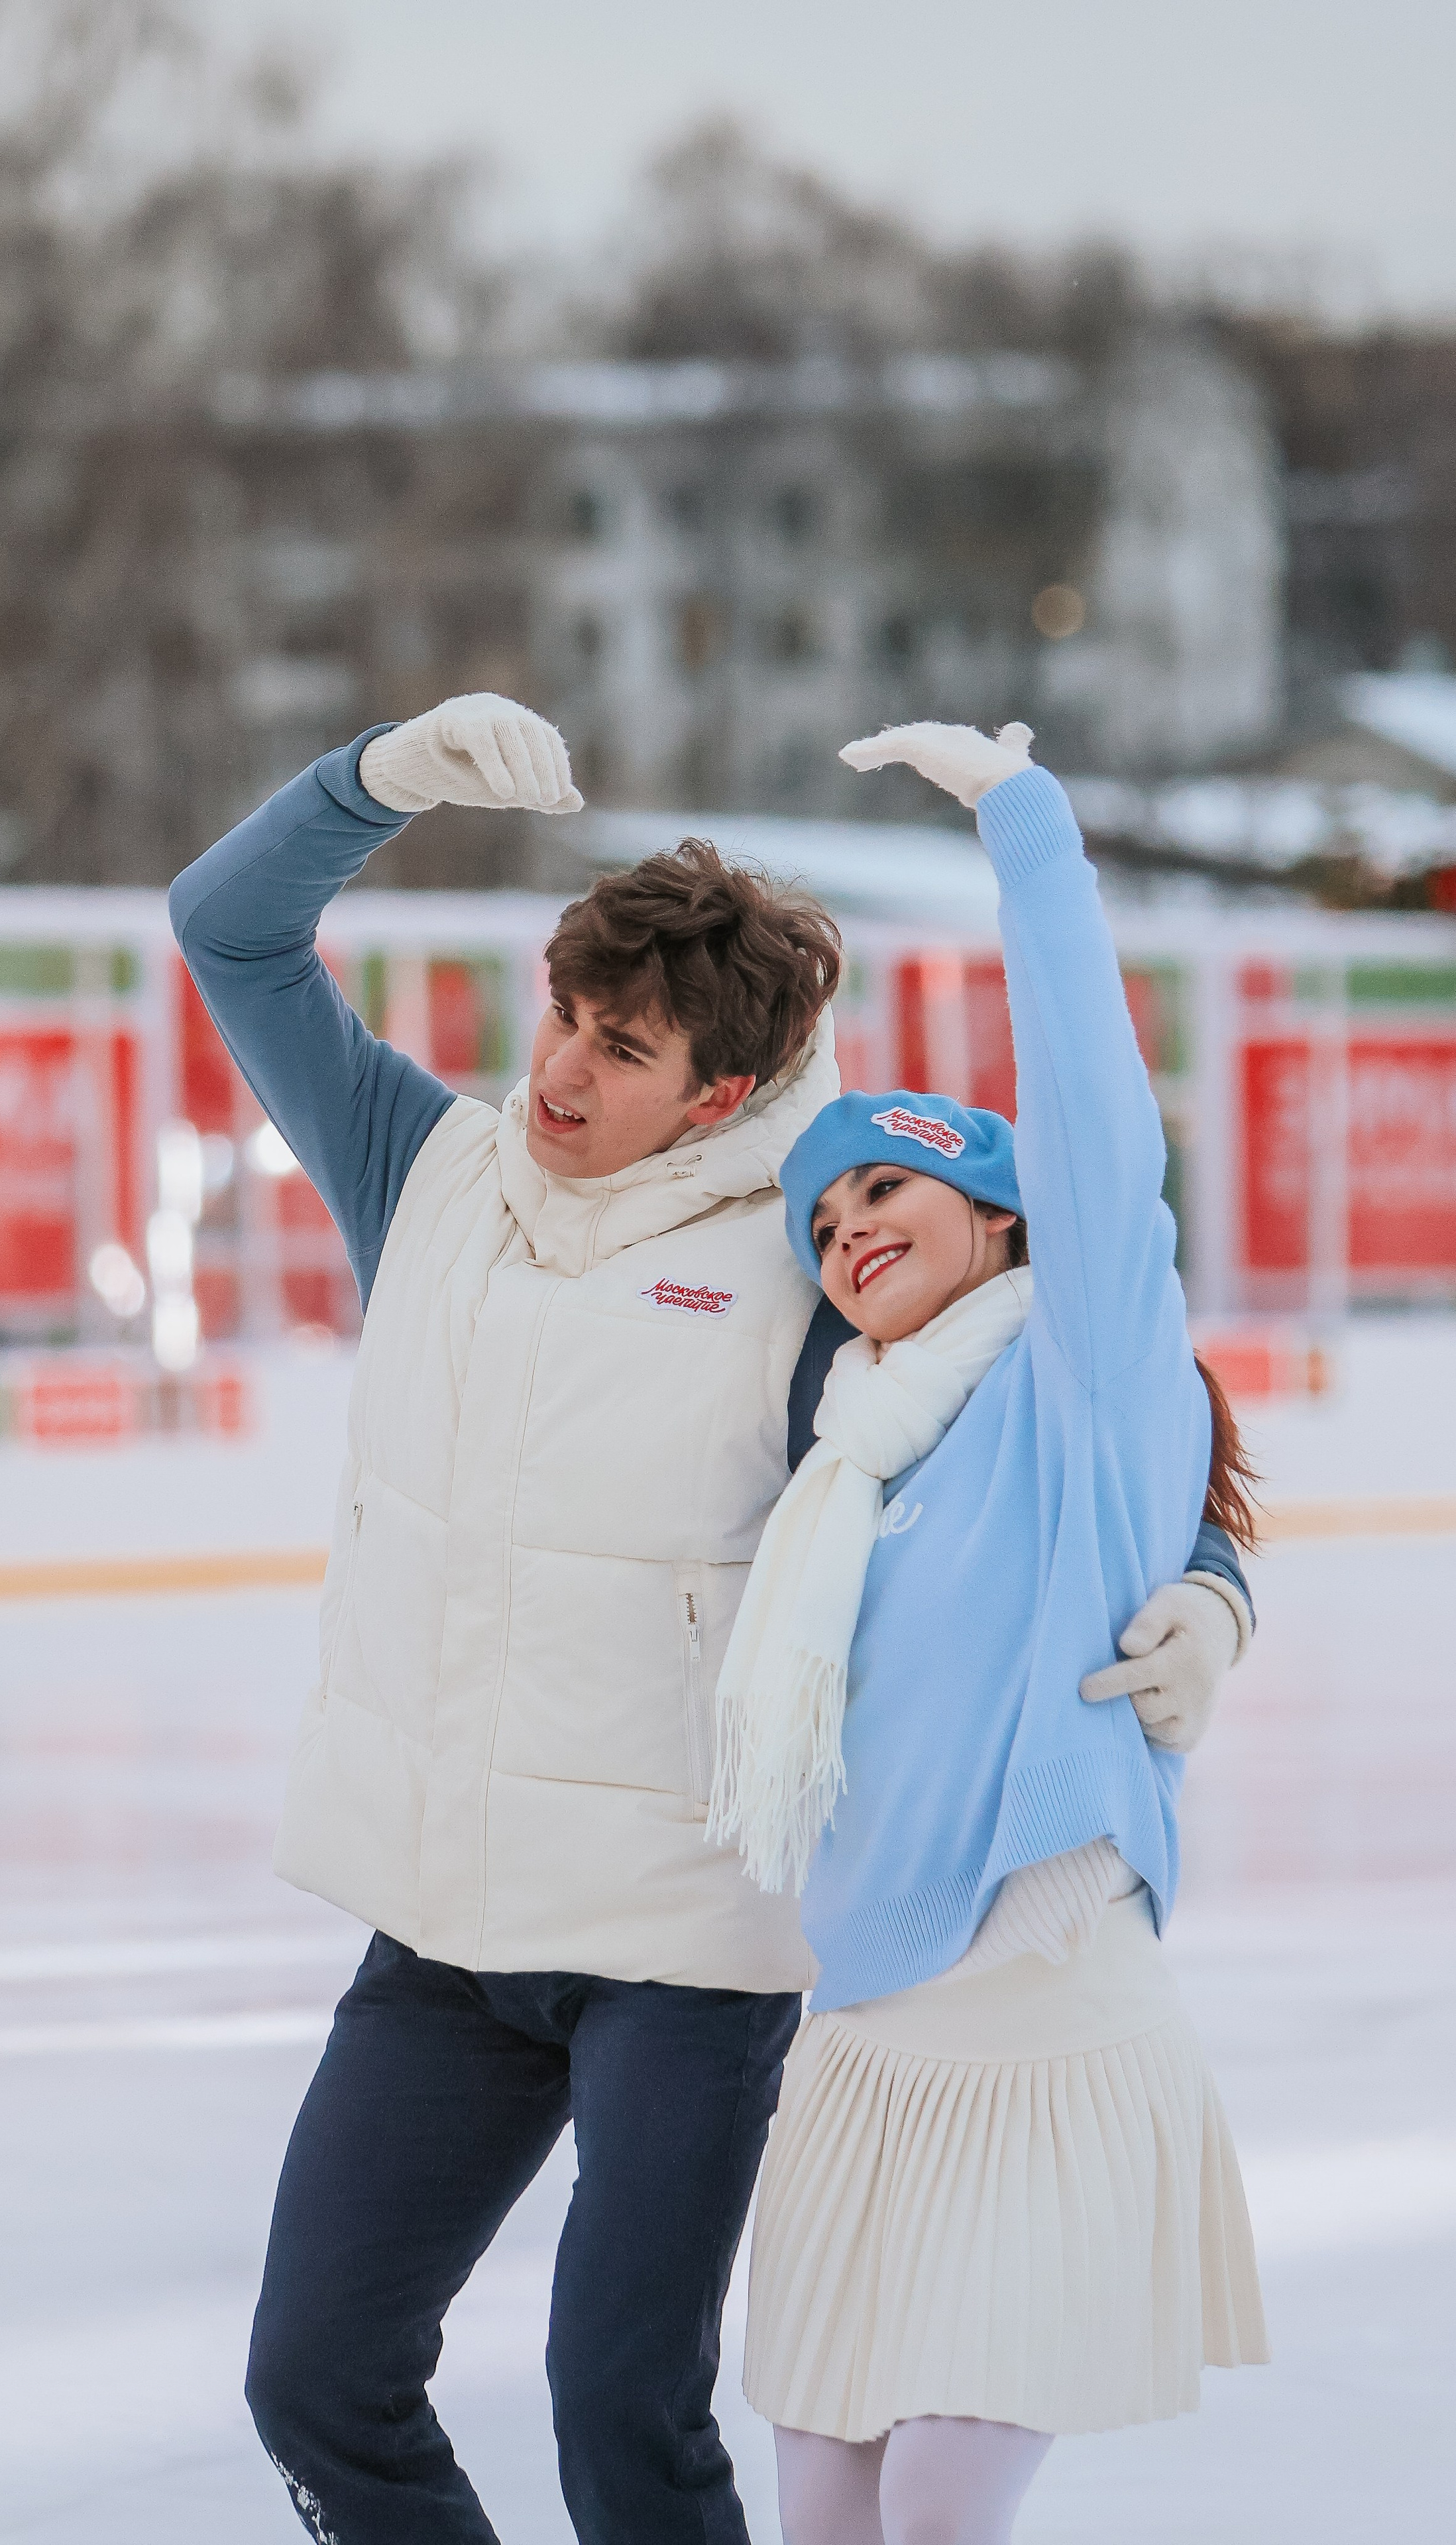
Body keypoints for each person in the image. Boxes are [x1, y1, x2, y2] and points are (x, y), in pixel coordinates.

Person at [167, 693, 1255, 2545]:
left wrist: (1219, 1587)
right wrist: (377, 786)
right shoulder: (423, 1174)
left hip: (684, 1945)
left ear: (728, 1092)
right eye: (567, 1020)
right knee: (315, 2376)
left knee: (624, 2412)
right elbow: (226, 932)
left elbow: (1076, 1417)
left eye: (627, 1047)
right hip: (442, 1918)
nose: (563, 1074)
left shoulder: (807, 1260)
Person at [708, 719, 1270, 2545]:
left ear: (1000, 1208)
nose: (850, 1226)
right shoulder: (849, 1475)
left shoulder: (1078, 1381)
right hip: (870, 2036)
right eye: (826, 1214)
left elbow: (1101, 1119)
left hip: (1042, 2016)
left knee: (944, 2508)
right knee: (827, 2520)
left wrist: (1027, 834)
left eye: (890, 1186)